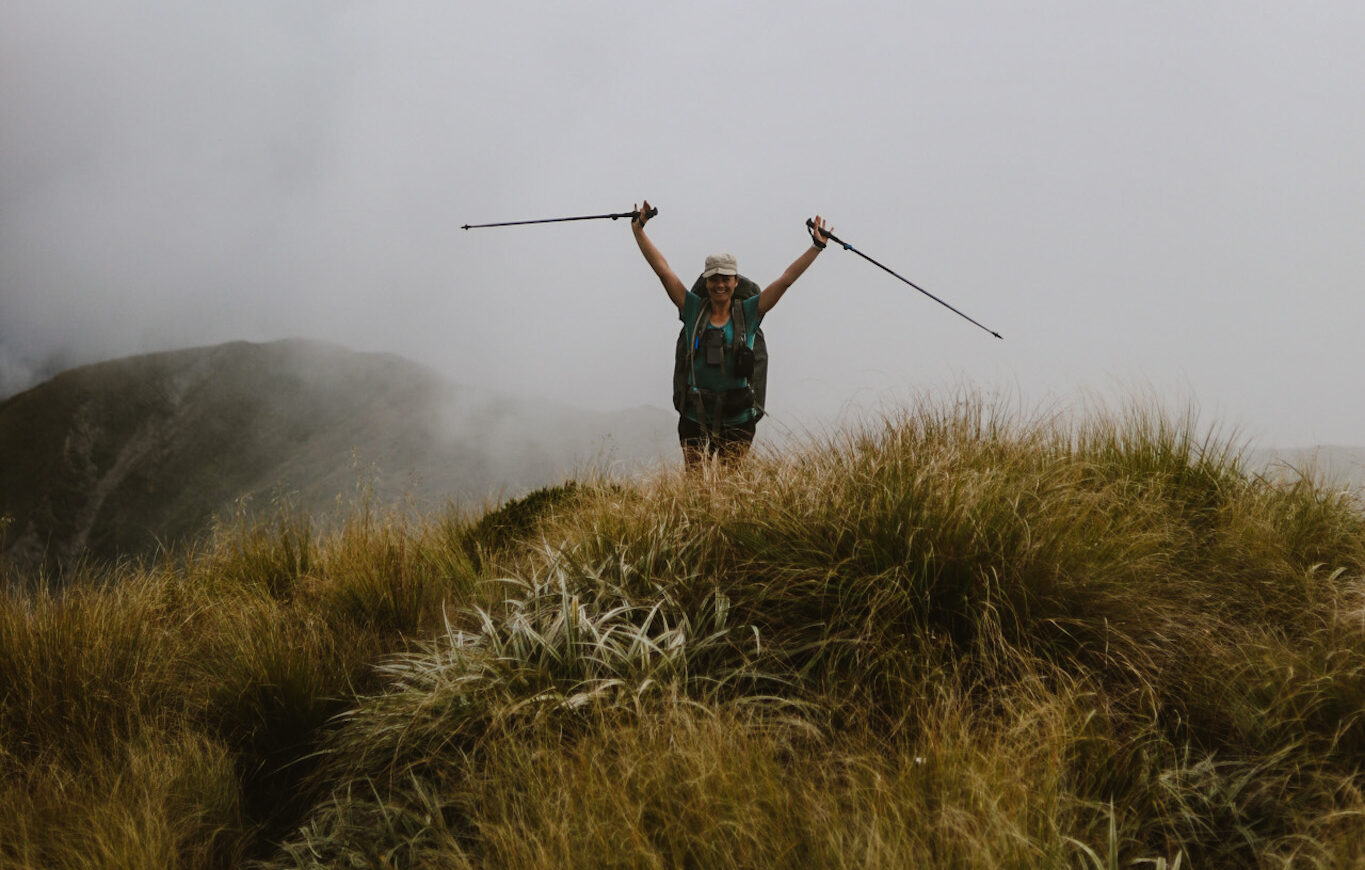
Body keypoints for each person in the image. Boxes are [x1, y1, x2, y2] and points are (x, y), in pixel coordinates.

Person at [631, 199, 832, 468]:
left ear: (736, 282)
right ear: (706, 281)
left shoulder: (749, 313)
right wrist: (639, 231)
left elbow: (786, 280)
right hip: (695, 416)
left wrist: (816, 247)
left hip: (738, 418)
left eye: (726, 278)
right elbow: (663, 271)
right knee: (696, 489)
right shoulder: (692, 309)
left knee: (730, 490)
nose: (719, 284)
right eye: (714, 278)